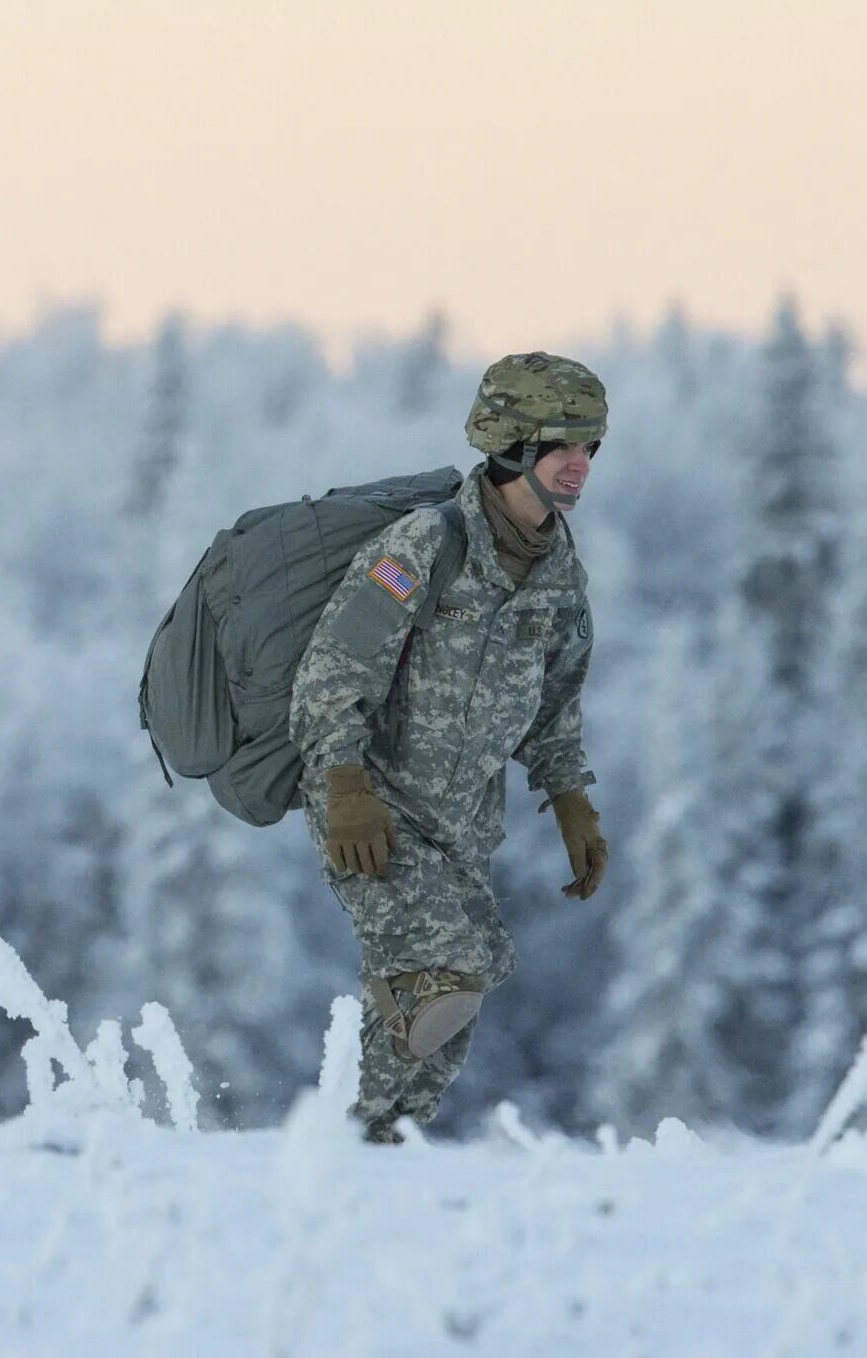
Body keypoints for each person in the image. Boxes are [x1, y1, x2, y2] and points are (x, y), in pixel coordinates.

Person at [289, 353, 611, 1142]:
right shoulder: (426, 545)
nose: (580, 464)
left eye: (591, 446)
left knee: (450, 1003)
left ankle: (370, 1144)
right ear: (511, 446)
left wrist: (571, 798)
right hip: (373, 803)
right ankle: (346, 1146)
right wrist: (347, 787)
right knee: (441, 979)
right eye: (561, 444)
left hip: (463, 822)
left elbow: (557, 701)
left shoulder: (559, 573)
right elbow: (332, 674)